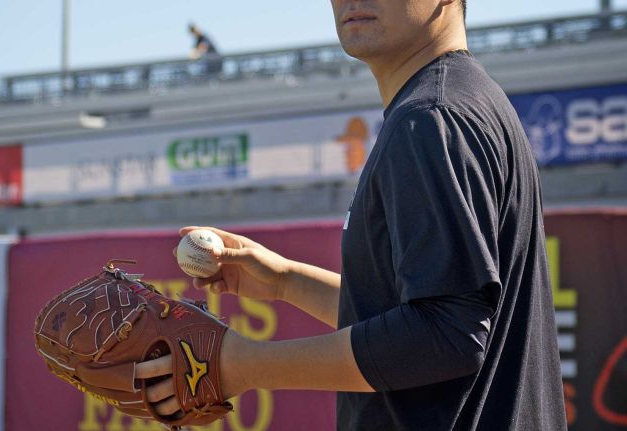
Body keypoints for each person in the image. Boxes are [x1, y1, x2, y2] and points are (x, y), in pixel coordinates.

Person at [87, 1, 567, 429]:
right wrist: (284, 281)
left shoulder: (432, 119)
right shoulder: (460, 101)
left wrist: (243, 365)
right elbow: (419, 315)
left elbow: (445, 336)